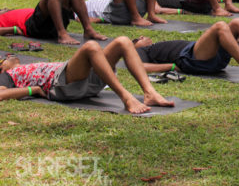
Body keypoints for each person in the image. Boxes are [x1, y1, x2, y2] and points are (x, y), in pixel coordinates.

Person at [0, 37, 174, 114]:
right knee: (91, 46)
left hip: (84, 79)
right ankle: (126, 97)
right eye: (2, 61)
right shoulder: (8, 75)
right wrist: (33, 90)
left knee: (123, 42)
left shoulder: (23, 67)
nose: (6, 58)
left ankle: (150, 92)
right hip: (60, 85)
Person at [132, 19, 239, 82]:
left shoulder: (157, 46)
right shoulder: (143, 51)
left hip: (205, 56)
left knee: (238, 23)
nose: (142, 36)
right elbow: (141, 67)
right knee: (220, 26)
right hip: (191, 60)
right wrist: (171, 67)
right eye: (137, 39)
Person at [0, 0, 108, 45]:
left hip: (50, 21)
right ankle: (62, 34)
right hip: (32, 27)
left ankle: (88, 29)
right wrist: (13, 29)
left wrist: (5, 10)